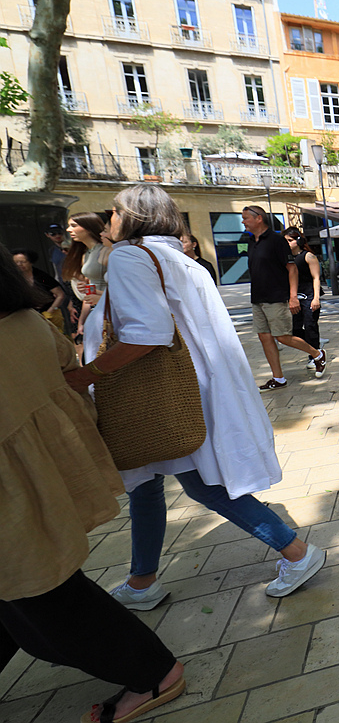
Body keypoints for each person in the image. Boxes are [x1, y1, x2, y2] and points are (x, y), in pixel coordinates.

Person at [63, 185, 326, 612]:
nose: (108, 218)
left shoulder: (133, 257)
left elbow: (148, 333)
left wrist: (86, 374)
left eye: (114, 211)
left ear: (131, 217)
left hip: (161, 394)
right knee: (147, 484)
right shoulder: (179, 260)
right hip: (191, 388)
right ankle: (142, 578)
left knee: (198, 484)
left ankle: (296, 551)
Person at [0, 243, 187, 723]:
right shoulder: (27, 324)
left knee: (42, 592)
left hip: (19, 503)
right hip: (38, 486)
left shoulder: (126, 258)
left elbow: (146, 334)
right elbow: (67, 373)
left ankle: (153, 671)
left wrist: (98, 366)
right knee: (33, 593)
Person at [242, 206, 327, 389]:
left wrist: (293, 296)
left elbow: (292, 269)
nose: (243, 221)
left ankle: (317, 354)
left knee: (282, 336)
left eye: (246, 218)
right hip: (258, 297)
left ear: (259, 219)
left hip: (276, 296)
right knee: (264, 337)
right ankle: (278, 378)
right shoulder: (250, 241)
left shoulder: (276, 241)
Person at [63, 212, 111, 343]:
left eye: (73, 225)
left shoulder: (106, 251)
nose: (68, 230)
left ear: (88, 227)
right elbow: (89, 291)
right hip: (95, 311)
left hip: (108, 310)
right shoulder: (86, 254)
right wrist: (83, 320)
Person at [282, 227, 323, 353]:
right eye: (285, 241)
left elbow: (316, 278)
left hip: (309, 295)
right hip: (294, 297)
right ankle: (314, 345)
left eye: (290, 240)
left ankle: (315, 355)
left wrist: (316, 298)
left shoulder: (308, 256)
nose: (288, 244)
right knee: (295, 329)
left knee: (310, 325)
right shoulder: (285, 258)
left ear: (298, 241)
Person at [11, 249, 67, 330]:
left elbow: (60, 295)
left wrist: (51, 310)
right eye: (16, 262)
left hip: (48, 314)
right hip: (28, 316)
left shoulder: (42, 277)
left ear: (31, 262)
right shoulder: (14, 279)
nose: (19, 264)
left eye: (23, 261)